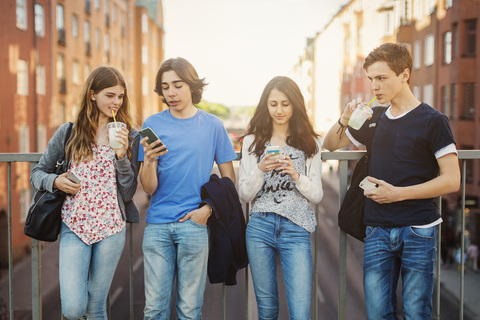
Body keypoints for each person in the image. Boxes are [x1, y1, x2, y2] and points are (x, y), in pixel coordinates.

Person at [323, 43, 461, 319]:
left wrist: (398, 194)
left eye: (382, 78)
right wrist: (344, 118)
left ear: (405, 75)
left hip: (419, 229)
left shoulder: (434, 121)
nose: (374, 86)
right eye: (371, 79)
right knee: (378, 314)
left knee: (416, 312)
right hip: (377, 229)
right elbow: (330, 144)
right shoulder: (373, 118)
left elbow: (452, 181)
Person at [30, 66, 140, 319]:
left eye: (120, 96)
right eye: (109, 95)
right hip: (74, 226)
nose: (116, 102)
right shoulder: (69, 132)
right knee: (73, 307)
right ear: (92, 94)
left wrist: (122, 157)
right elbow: (37, 173)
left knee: (97, 305)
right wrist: (56, 181)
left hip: (111, 227)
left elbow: (128, 192)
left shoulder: (128, 135)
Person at [139, 57, 237, 319]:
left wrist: (207, 210)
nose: (171, 92)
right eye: (165, 86)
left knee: (189, 311)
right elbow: (148, 187)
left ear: (192, 86)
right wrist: (149, 161)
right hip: (157, 226)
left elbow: (229, 180)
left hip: (194, 225)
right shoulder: (152, 124)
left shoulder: (213, 125)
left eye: (178, 85)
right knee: (154, 310)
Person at [238, 76, 323, 319]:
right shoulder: (253, 142)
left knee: (300, 313)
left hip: (296, 228)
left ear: (295, 105)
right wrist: (260, 169)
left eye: (285, 103)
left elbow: (317, 195)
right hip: (260, 227)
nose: (279, 110)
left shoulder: (310, 143)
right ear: (265, 105)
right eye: (273, 103)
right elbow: (244, 194)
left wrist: (296, 175)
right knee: (267, 311)